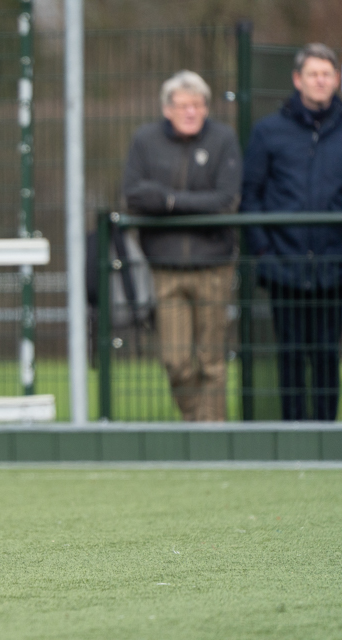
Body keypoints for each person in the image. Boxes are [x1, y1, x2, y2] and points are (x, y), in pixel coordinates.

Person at [122, 70, 242, 421]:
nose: (191, 111)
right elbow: (133, 195)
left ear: (206, 108)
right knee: (175, 360)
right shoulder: (145, 140)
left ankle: (212, 436)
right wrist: (188, 202)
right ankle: (196, 420)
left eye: (198, 105)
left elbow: (226, 199)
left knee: (212, 359)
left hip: (214, 264)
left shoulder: (223, 139)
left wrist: (169, 202)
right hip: (165, 265)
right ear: (167, 109)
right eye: (183, 105)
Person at [242, 43, 342, 421]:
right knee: (291, 353)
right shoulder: (269, 132)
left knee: (327, 355)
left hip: (334, 268)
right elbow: (250, 195)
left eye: (327, 74)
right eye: (313, 74)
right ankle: (293, 433)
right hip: (284, 266)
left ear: (336, 80)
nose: (320, 81)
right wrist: (265, 252)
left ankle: (328, 432)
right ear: (298, 80)